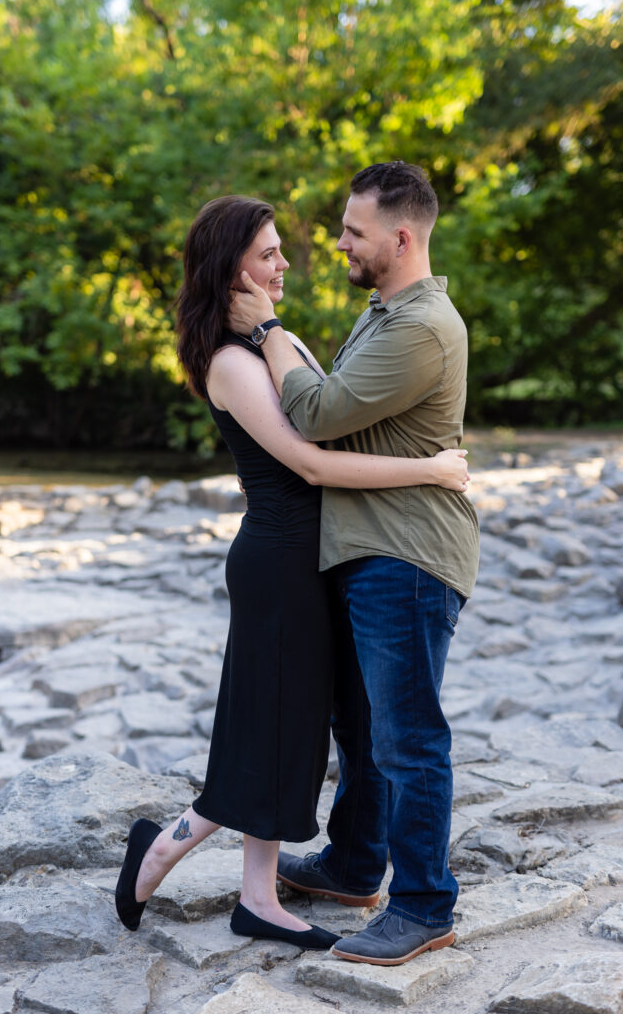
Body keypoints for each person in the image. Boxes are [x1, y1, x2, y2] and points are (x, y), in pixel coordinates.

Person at [115, 194, 471, 951]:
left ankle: (258, 895)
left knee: (298, 727)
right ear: (230, 268)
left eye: (281, 251)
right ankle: (162, 849)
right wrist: (430, 470)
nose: (285, 264)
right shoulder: (230, 363)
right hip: (278, 557)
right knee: (273, 724)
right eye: (268, 254)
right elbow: (310, 459)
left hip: (319, 557)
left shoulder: (274, 340)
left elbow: (326, 410)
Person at [227, 163, 481, 966]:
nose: (338, 242)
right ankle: (351, 864)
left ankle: (422, 905)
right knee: (362, 729)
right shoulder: (382, 313)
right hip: (366, 546)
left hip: (405, 554)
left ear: (400, 238)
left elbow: (319, 412)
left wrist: (265, 332)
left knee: (407, 738)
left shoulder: (420, 327)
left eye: (353, 231)